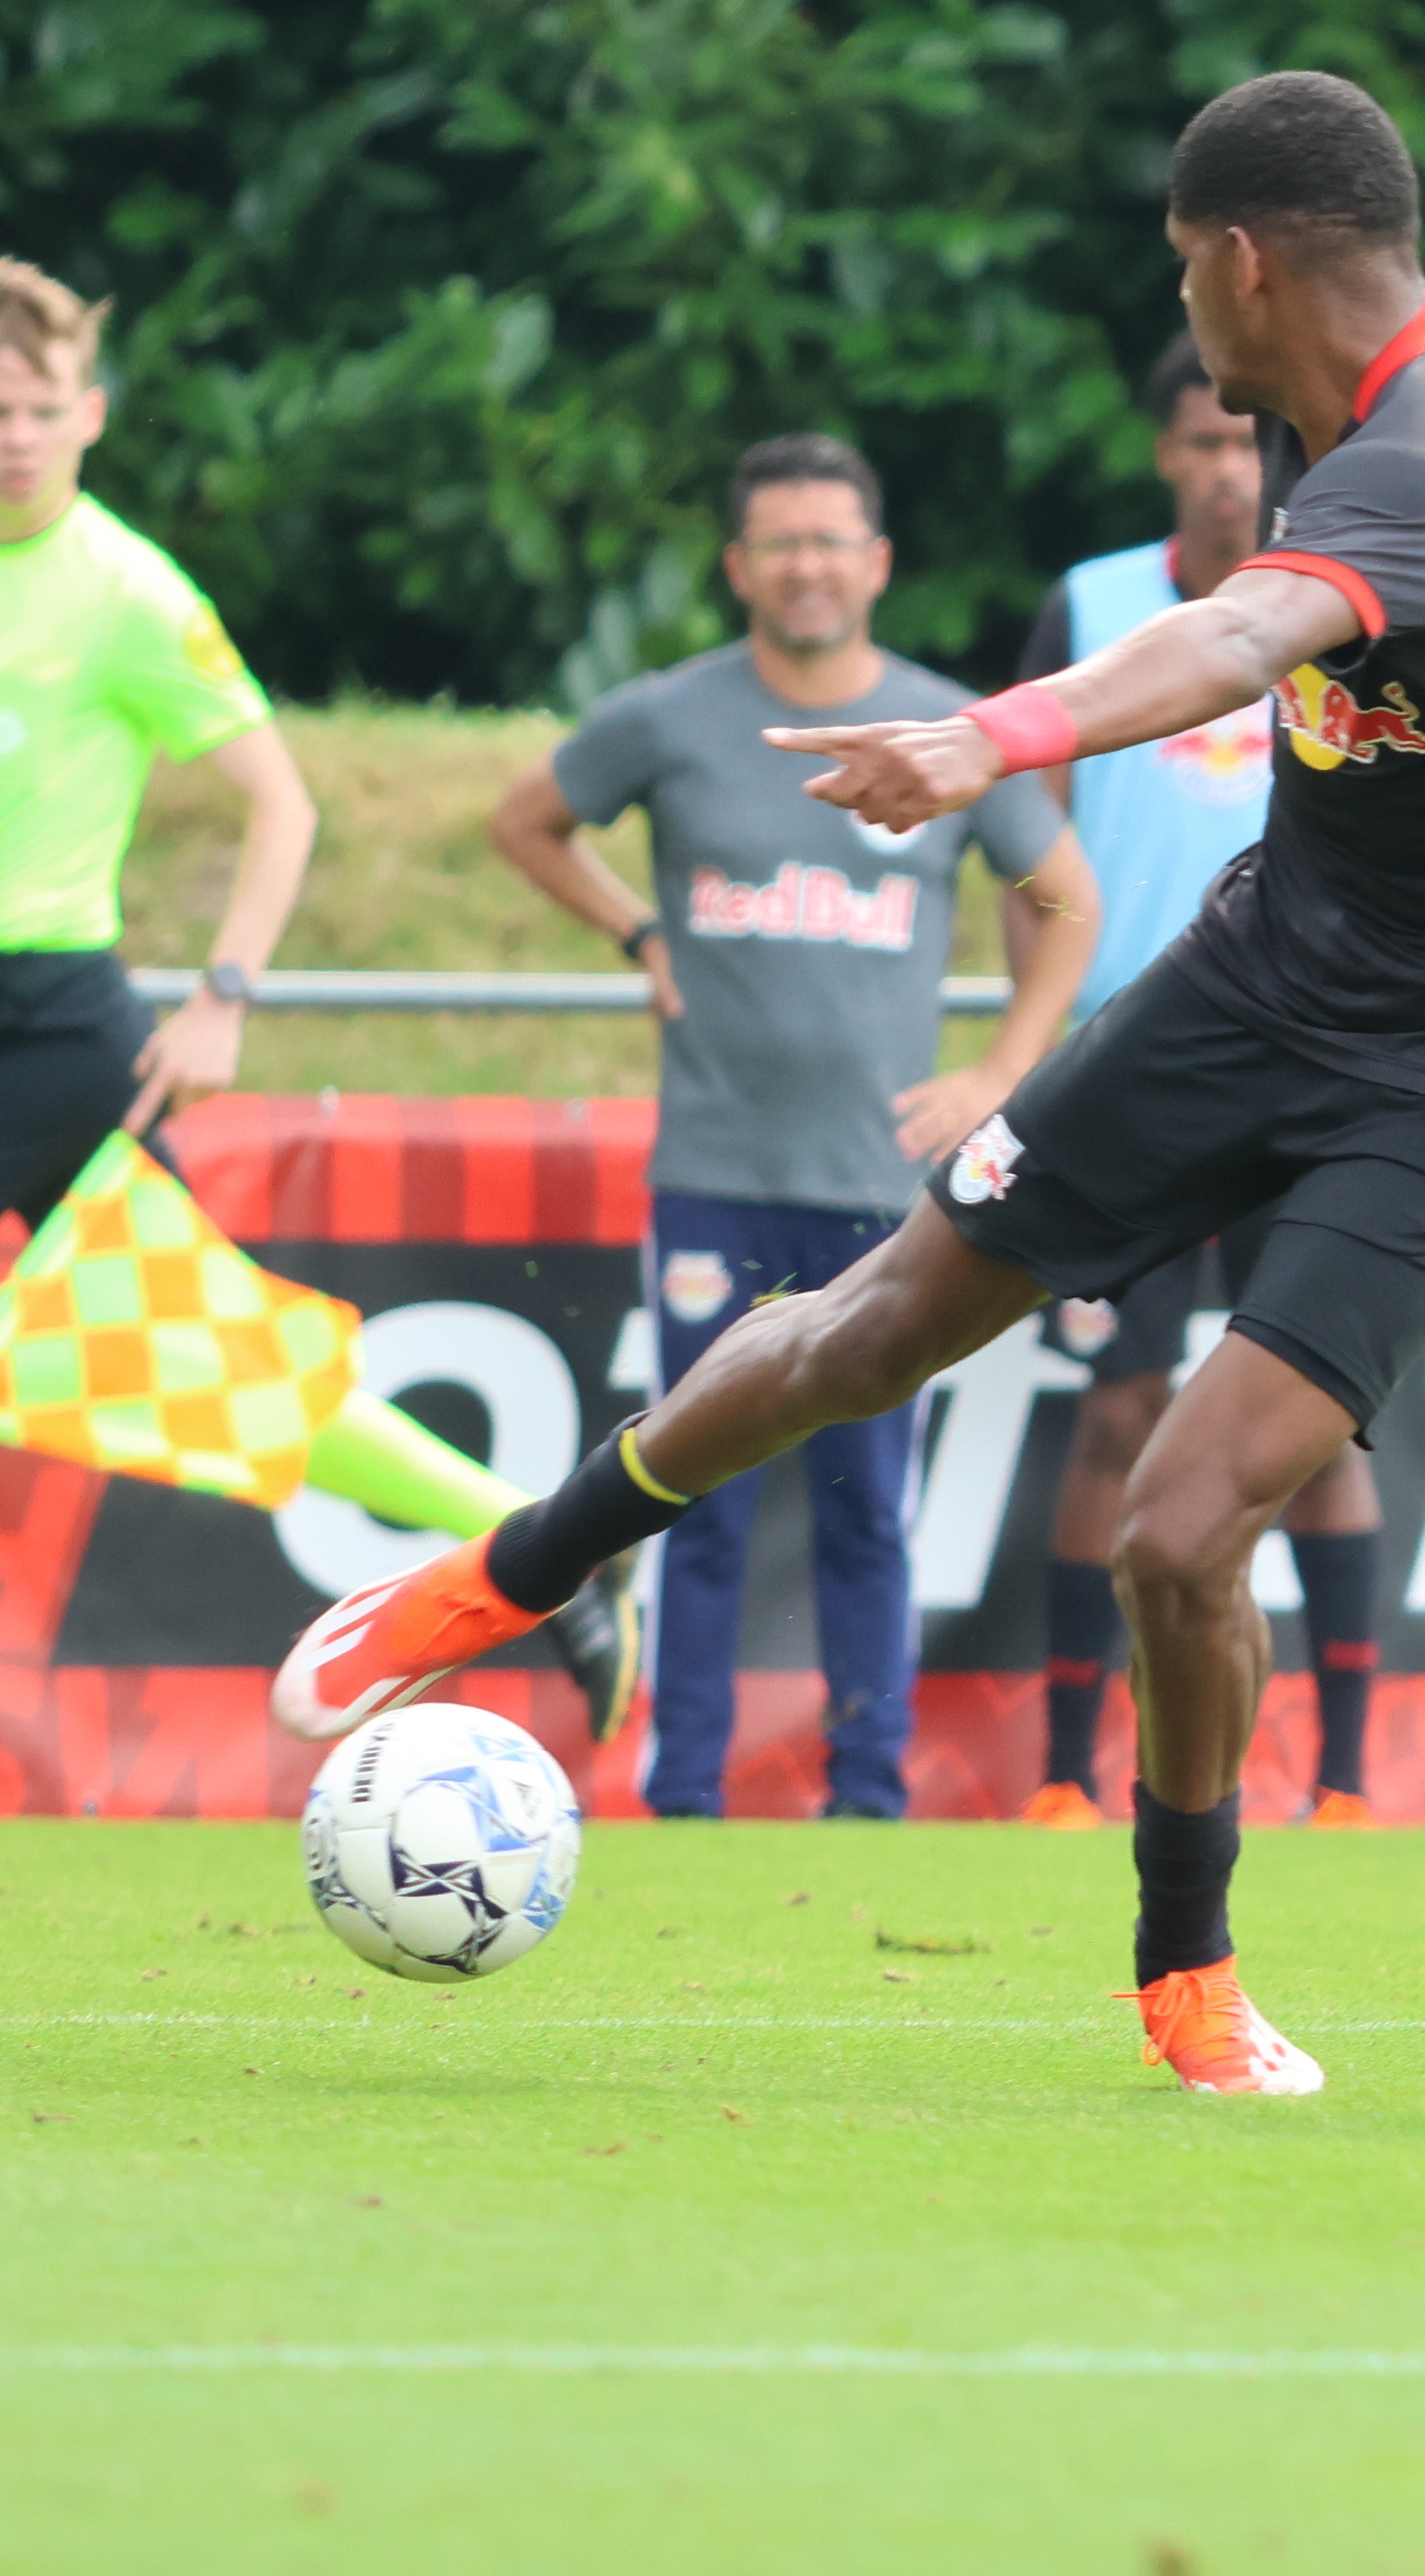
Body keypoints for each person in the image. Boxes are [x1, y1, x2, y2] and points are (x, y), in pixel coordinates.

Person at [280, 69, 1425, 2095]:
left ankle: (1188, 1969)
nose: (1186, 314)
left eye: (1189, 271)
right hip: (1261, 976)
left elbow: (1240, 636)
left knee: (1183, 1528)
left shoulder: (1423, 469)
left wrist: (989, 738)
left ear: (1242, 263)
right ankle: (507, 1571)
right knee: (866, 1331)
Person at [0, 260, 627, 1797]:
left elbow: (284, 804)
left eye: (40, 411)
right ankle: (557, 1548)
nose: (13, 437)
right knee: (225, 1368)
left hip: (53, 1028)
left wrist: (222, 997)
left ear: (89, 415)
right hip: (2, 1024)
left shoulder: (132, 591)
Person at [493, 432, 1097, 1820]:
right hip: (713, 1173)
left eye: (832, 539)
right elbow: (526, 821)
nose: (808, 564)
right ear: (737, 565)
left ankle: (869, 1796)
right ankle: (684, 1797)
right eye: (780, 540)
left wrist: (1003, 1065)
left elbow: (1065, 900)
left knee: (862, 1507)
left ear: (877, 563)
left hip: (881, 1190)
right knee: (684, 1494)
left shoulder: (948, 729)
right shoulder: (669, 718)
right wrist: (637, 929)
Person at [1012, 337, 1389, 1834]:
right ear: (1170, 455)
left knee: (1315, 1433)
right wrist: (1035, 1031)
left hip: (1322, 1071)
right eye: (1200, 446)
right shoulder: (1098, 609)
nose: (1227, 469)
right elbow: (1027, 851)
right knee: (1117, 1418)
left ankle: (1349, 1782)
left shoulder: (1352, 598)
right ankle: (1055, 1776)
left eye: (1246, 450)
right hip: (1144, 1073)